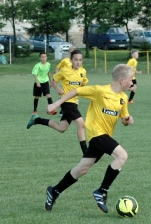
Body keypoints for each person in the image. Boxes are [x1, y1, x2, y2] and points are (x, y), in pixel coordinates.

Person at [44, 64, 134, 214]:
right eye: (131, 79)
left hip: (105, 136)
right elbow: (76, 91)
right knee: (122, 155)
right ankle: (102, 191)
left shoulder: (123, 98)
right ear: (122, 80)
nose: (132, 83)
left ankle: (54, 191)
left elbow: (123, 118)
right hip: (96, 134)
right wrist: (56, 103)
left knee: (81, 169)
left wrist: (127, 120)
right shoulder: (100, 91)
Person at [26, 49, 88, 155]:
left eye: (80, 60)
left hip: (75, 102)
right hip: (67, 102)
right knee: (81, 124)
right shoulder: (65, 71)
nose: (78, 62)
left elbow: (83, 84)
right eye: (76, 59)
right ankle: (86, 153)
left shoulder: (83, 71)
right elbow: (54, 80)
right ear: (71, 60)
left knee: (61, 128)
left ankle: (36, 120)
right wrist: (58, 89)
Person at [55, 46, 76, 117]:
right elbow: (57, 67)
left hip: (73, 80)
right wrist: (57, 76)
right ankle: (62, 111)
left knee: (71, 95)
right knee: (67, 95)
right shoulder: (65, 60)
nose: (72, 54)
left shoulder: (76, 61)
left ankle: (61, 103)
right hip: (66, 80)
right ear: (68, 53)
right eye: (71, 53)